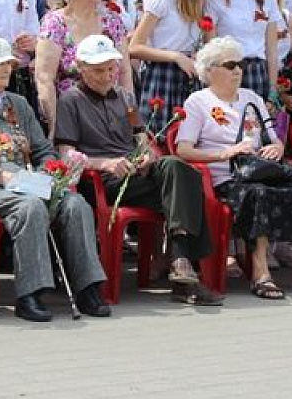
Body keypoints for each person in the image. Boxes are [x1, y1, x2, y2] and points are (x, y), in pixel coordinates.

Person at [0, 38, 110, 322]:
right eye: (0, 64)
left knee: (75, 203)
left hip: (28, 181)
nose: (8, 69)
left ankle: (87, 287)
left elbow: (43, 150)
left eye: (9, 63)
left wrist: (47, 172)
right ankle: (30, 293)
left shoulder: (18, 104)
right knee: (30, 207)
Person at [55, 34, 222, 305]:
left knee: (180, 170)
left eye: (111, 69)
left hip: (137, 175)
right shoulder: (70, 100)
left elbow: (141, 139)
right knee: (187, 191)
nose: (107, 76)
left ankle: (180, 262)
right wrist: (104, 163)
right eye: (99, 70)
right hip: (104, 178)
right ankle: (183, 271)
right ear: (82, 69)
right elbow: (66, 153)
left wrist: (146, 155)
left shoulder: (125, 97)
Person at [173, 37, 292, 299]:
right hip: (227, 177)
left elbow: (272, 135)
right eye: (230, 64)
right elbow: (183, 150)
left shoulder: (251, 97)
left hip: (261, 168)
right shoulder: (197, 102)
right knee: (258, 195)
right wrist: (226, 153)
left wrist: (278, 148)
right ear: (210, 70)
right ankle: (261, 275)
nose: (238, 69)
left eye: (241, 64)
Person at [35, 0, 134, 134]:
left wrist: (131, 119)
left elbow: (125, 72)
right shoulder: (55, 22)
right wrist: (56, 127)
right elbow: (44, 79)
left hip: (111, 112)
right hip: (72, 115)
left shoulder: (112, 20)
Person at [129, 0, 212, 129]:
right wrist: (175, 56)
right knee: (162, 132)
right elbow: (135, 47)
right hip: (163, 73)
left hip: (190, 72)